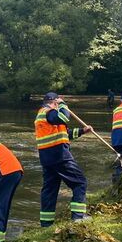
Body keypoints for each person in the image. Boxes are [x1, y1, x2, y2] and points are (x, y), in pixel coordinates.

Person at [34, 92, 93, 227]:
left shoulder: (46, 115)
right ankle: (78, 217)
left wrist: (83, 131)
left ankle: (46, 224)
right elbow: (63, 117)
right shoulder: (49, 112)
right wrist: (63, 104)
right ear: (54, 102)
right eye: (57, 102)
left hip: (48, 158)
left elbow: (65, 135)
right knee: (80, 182)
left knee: (50, 190)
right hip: (59, 156)